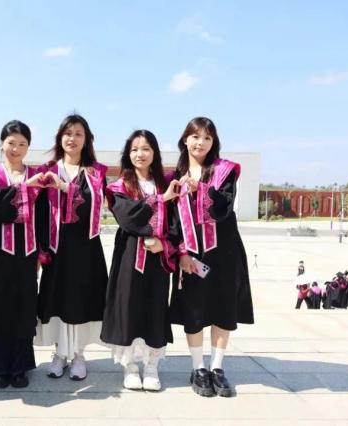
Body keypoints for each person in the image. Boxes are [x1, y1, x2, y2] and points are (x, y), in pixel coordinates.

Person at [168, 117, 254, 398]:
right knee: (194, 309)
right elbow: (172, 220)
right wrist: (181, 252)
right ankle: (198, 368)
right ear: (185, 140)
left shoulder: (224, 171)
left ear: (213, 142)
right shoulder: (173, 177)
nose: (200, 142)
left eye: (207, 137)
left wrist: (201, 189)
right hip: (191, 252)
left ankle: (217, 367)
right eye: (195, 136)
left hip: (224, 251)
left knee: (223, 307)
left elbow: (224, 207)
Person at [100, 130, 179, 391]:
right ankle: (131, 366)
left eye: (145, 148)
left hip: (157, 257)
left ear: (154, 153)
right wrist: (160, 200)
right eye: (134, 149)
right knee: (128, 305)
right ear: (127, 154)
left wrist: (165, 244)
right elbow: (128, 218)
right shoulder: (120, 186)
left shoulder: (166, 183)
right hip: (129, 255)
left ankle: (152, 365)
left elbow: (176, 221)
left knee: (155, 306)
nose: (139, 154)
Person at [35, 114, 109, 381]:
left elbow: (95, 205)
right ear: (59, 138)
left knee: (81, 299)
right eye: (68, 133)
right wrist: (40, 248)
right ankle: (59, 354)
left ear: (87, 139)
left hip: (85, 246)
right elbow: (39, 211)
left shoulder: (96, 172)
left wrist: (67, 188)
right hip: (56, 246)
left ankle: (78, 355)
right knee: (57, 299)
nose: (72, 138)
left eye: (78, 134)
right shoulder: (47, 170)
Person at [0, 120, 44, 389]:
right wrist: (24, 189)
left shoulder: (38, 176)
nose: (16, 148)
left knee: (24, 307)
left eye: (22, 144)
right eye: (11, 143)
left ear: (28, 147)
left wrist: (42, 252)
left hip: (27, 251)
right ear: (2, 143)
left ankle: (20, 366)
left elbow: (43, 216)